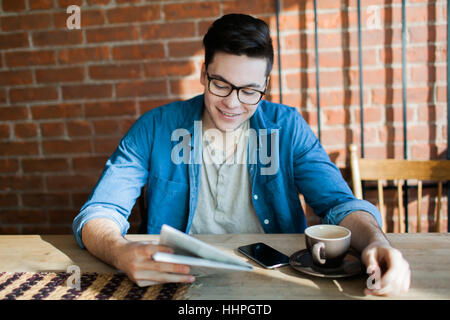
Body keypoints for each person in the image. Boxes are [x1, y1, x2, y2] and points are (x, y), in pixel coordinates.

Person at [73, 13, 410, 296]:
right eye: (221, 85)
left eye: (250, 91)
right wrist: (119, 252)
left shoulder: (287, 127)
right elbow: (100, 211)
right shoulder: (155, 128)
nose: (233, 104)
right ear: (204, 75)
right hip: (177, 285)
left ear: (265, 85)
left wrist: (375, 243)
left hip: (275, 284)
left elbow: (339, 204)